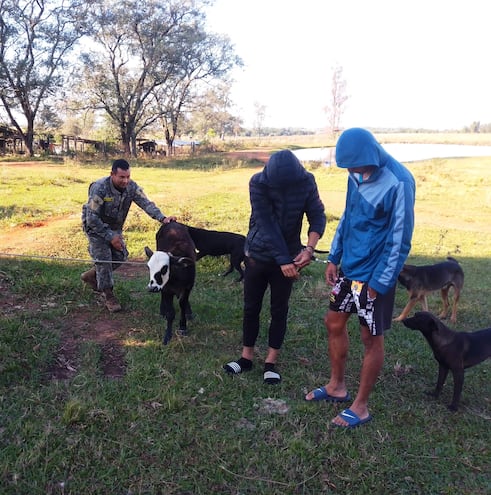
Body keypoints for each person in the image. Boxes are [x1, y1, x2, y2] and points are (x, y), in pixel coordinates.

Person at [305, 128, 415, 428]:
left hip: (375, 275)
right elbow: (349, 217)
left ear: (369, 156)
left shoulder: (399, 182)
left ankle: (361, 406)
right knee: (333, 321)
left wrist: (379, 284)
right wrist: (335, 257)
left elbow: (400, 241)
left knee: (370, 337)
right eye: (347, 167)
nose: (351, 171)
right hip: (349, 269)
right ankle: (336, 387)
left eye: (354, 166)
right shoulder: (355, 174)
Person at [223, 149, 326, 384]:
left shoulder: (306, 181)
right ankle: (246, 358)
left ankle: (271, 362)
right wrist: (284, 261)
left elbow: (317, 215)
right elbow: (266, 223)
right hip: (257, 256)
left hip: (289, 255)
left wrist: (308, 249)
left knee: (279, 309)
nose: (280, 189)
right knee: (251, 307)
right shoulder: (258, 182)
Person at [81, 158, 176, 312]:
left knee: (121, 256)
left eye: (128, 177)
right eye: (121, 177)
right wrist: (110, 237)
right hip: (95, 228)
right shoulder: (99, 188)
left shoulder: (132, 187)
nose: (125, 181)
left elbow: (146, 203)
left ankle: (92, 276)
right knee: (104, 259)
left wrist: (163, 218)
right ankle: (108, 295)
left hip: (115, 228)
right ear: (112, 174)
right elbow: (92, 218)